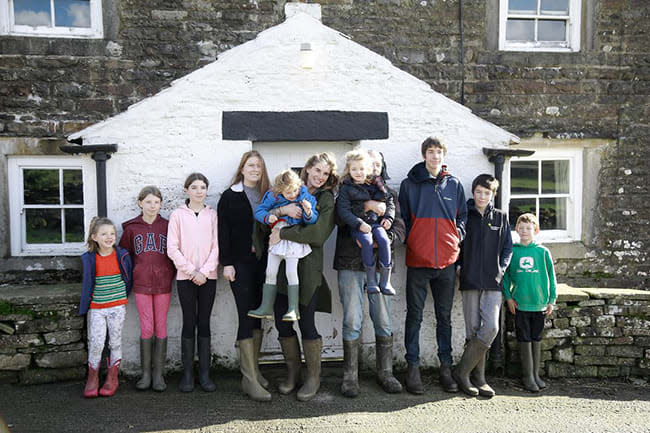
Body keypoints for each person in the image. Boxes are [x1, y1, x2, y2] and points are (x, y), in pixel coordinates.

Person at [253, 152, 338, 402]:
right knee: (282, 323)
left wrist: (284, 234)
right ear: (308, 169)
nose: (320, 177)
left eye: (326, 173)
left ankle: (313, 377)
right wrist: (282, 208)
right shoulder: (285, 187)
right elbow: (264, 220)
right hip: (280, 269)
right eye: (317, 171)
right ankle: (293, 373)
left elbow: (318, 233)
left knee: (307, 323)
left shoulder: (325, 199)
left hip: (307, 271)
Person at [399, 136, 467, 394]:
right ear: (424, 155)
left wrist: (456, 237)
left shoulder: (455, 185)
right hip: (418, 261)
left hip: (447, 263)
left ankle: (445, 368)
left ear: (444, 155)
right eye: (431, 151)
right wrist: (413, 241)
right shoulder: (409, 184)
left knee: (444, 318)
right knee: (414, 317)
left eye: (439, 152)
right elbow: (403, 219)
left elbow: (462, 217)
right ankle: (412, 369)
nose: (435, 156)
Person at [334, 149, 405, 398]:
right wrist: (364, 206)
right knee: (352, 319)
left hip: (379, 267)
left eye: (378, 163)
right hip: (350, 263)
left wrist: (385, 237)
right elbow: (339, 219)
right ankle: (350, 377)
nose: (373, 167)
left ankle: (385, 373)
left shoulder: (389, 195)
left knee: (383, 319)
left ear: (381, 166)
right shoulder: (347, 189)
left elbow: (400, 230)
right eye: (369, 163)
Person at [217, 150, 273, 402]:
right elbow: (223, 232)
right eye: (251, 165)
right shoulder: (230, 196)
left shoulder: (268, 194)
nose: (255, 170)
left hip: (263, 264)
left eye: (259, 166)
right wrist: (226, 263)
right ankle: (248, 379)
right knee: (245, 315)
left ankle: (255, 370)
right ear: (242, 168)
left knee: (259, 314)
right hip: (239, 264)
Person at [453, 174, 513, 397]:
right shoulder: (464, 216)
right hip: (468, 279)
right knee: (473, 330)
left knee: (491, 328)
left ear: (492, 195)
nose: (482, 196)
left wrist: (502, 268)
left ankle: (463, 372)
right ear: (473, 192)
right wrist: (458, 266)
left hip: (492, 281)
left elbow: (508, 247)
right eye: (478, 192)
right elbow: (455, 244)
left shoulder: (500, 217)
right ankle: (477, 378)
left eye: (486, 193)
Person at [119, 186, 176, 392]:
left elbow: (175, 252)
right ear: (140, 203)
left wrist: (171, 273)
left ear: (161, 204)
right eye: (148, 202)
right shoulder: (131, 229)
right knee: (146, 327)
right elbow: (124, 257)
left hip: (163, 284)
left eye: (156, 202)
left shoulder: (168, 226)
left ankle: (159, 374)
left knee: (161, 326)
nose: (152, 206)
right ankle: (145, 374)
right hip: (141, 283)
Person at [167, 173, 219, 393]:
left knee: (204, 322)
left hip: (208, 277)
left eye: (203, 187)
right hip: (185, 278)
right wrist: (191, 271)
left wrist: (205, 272)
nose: (199, 191)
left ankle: (205, 374)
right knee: (189, 322)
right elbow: (172, 248)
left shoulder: (213, 215)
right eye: (195, 187)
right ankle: (187, 374)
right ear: (187, 190)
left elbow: (217, 246)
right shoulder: (177, 215)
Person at [249, 169, 318, 322]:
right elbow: (259, 211)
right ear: (280, 191)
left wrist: (308, 212)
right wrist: (269, 217)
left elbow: (311, 220)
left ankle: (293, 309)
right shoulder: (273, 195)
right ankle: (266, 306)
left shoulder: (305, 197)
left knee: (291, 272)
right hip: (276, 236)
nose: (292, 195)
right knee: (270, 271)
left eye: (294, 191)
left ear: (299, 186)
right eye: (287, 193)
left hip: (292, 238)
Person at [503, 213, 557, 393]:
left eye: (529, 228)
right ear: (516, 229)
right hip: (520, 304)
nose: (525, 231)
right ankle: (527, 376)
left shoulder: (542, 252)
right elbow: (505, 275)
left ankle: (535, 374)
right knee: (524, 337)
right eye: (521, 228)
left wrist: (551, 300)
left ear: (536, 230)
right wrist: (509, 297)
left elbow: (552, 277)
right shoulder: (513, 251)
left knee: (536, 337)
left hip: (539, 304)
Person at [80, 217, 133, 398]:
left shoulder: (122, 255)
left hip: (117, 306)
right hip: (97, 308)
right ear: (94, 237)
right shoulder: (89, 259)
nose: (109, 237)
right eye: (104, 234)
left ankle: (112, 378)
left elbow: (128, 280)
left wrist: (121, 298)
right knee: (96, 343)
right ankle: (92, 377)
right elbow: (88, 283)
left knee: (115, 341)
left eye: (112, 233)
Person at [336, 149, 396, 296]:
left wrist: (388, 217)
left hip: (375, 224)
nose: (358, 172)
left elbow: (390, 202)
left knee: (383, 239)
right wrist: (361, 217)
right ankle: (371, 282)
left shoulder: (378, 186)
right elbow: (341, 213)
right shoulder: (346, 188)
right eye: (354, 169)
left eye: (362, 168)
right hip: (357, 233)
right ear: (349, 169)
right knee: (367, 241)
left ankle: (385, 281)